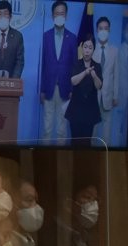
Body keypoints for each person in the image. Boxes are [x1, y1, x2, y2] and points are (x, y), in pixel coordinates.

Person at [39, 1, 78, 145]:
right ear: (52, 15)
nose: (59, 16)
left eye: (62, 13)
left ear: (66, 15)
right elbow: (42, 65)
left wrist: (73, 89)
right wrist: (41, 89)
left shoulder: (72, 38)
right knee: (47, 128)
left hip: (65, 89)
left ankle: (59, 157)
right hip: (48, 88)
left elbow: (75, 65)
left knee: (62, 130)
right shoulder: (45, 36)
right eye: (57, 13)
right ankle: (44, 158)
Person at [66, 36, 103, 146]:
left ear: (93, 49)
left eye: (90, 48)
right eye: (85, 47)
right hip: (76, 110)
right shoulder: (76, 63)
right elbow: (73, 81)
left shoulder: (97, 66)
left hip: (90, 111)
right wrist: (85, 73)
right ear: (82, 48)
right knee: (75, 142)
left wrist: (94, 75)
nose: (87, 50)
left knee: (86, 143)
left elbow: (99, 86)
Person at [93, 17, 120, 145]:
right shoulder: (91, 49)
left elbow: (116, 75)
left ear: (109, 30)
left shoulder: (115, 51)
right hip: (93, 96)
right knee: (92, 131)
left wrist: (115, 95)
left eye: (106, 28)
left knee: (106, 133)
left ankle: (106, 155)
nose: (103, 31)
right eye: (100, 28)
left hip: (108, 97)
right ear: (96, 30)